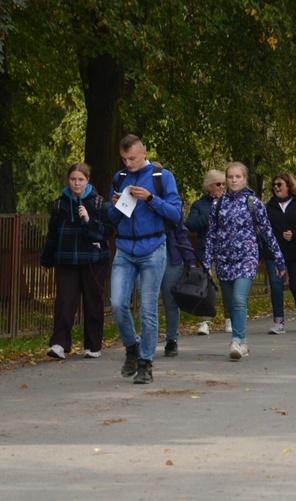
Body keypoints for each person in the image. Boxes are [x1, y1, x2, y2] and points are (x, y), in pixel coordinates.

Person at [108, 135, 182, 384]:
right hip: (125, 249)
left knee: (148, 310)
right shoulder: (119, 178)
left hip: (153, 248)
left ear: (144, 153)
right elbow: (112, 219)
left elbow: (176, 214)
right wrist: (115, 205)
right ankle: (132, 348)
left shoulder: (162, 177)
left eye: (132, 158)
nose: (128, 163)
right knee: (118, 304)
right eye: (124, 159)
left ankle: (146, 363)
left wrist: (151, 198)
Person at [204, 162, 285, 360]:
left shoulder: (253, 203)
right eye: (230, 177)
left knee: (240, 299)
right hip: (224, 259)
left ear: (245, 179)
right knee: (231, 304)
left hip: (247, 257)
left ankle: (237, 340)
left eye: (238, 177)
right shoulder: (218, 204)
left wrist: (279, 258)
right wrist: (207, 262)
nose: (233, 180)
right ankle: (243, 342)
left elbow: (267, 232)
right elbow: (211, 234)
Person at [40, 163, 113, 360]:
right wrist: (46, 261)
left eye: (81, 179)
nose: (76, 183)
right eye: (73, 179)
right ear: (68, 180)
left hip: (93, 260)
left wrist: (89, 220)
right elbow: (52, 236)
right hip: (66, 259)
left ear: (87, 181)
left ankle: (93, 345)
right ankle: (59, 344)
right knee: (64, 300)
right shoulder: (59, 204)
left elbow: (107, 232)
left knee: (93, 301)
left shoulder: (99, 203)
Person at [264, 172, 296, 333]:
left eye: (279, 184)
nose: (276, 187)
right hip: (275, 253)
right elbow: (265, 230)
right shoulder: (269, 206)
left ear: (288, 186)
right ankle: (279, 321)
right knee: (276, 285)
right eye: (274, 185)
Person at [185, 169, 232, 335]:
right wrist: (211, 215)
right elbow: (190, 225)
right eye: (218, 184)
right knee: (206, 285)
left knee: (227, 285)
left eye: (223, 184)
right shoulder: (199, 205)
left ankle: (229, 319)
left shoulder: (229, 202)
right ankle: (205, 321)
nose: (221, 187)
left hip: (226, 251)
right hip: (206, 250)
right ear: (208, 186)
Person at [160, 218, 196, 357]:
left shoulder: (171, 199)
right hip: (145, 252)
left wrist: (190, 260)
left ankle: (171, 340)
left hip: (171, 256)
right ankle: (146, 340)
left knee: (170, 300)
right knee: (147, 300)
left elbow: (180, 232)